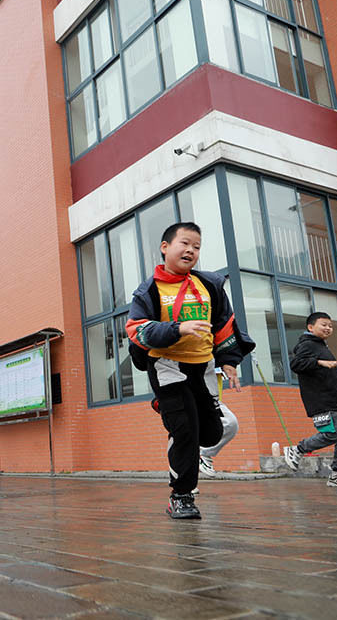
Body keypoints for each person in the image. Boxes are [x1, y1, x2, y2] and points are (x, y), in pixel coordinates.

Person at [126, 222, 254, 519]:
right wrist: (177, 328)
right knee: (184, 429)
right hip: (167, 366)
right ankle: (181, 495)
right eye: (184, 243)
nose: (191, 251)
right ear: (165, 247)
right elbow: (136, 329)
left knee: (210, 433)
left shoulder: (209, 285)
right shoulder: (149, 290)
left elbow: (224, 326)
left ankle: (169, 407)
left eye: (197, 247)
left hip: (204, 367)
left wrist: (230, 361)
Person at [284, 312, 337, 487]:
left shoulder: (322, 347)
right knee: (334, 434)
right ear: (310, 327)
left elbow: (329, 377)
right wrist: (319, 362)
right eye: (324, 324)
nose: (328, 328)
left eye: (330, 326)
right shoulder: (307, 345)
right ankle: (297, 449)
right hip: (321, 401)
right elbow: (295, 364)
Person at [197, 368, 239, 478]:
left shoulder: (219, 360)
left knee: (230, 423)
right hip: (191, 396)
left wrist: (230, 363)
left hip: (212, 401)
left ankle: (203, 454)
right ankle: (184, 488)